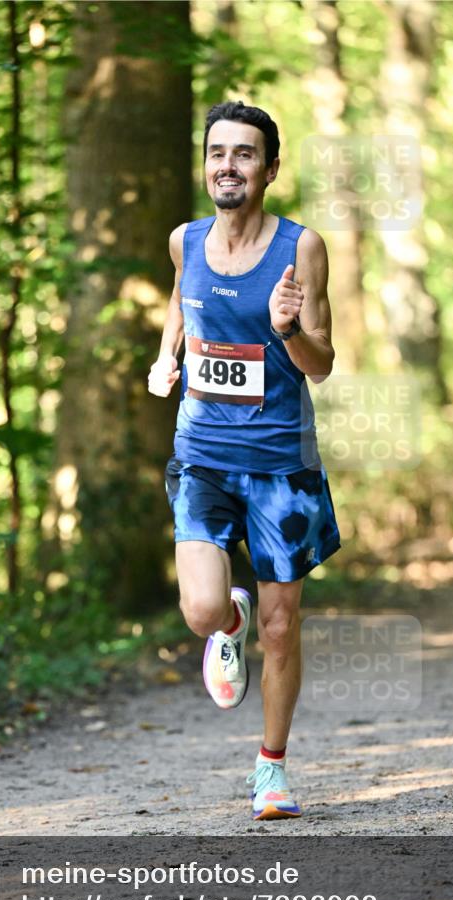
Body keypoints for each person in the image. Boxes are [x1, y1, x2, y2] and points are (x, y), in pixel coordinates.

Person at [148, 100, 341, 821]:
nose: (227, 165)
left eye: (244, 153)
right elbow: (180, 298)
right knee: (201, 609)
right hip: (202, 452)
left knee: (281, 626)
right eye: (217, 152)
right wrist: (165, 355)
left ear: (270, 168)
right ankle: (227, 624)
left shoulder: (301, 248)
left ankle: (271, 769)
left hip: (281, 463)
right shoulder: (184, 240)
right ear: (206, 164)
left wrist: (287, 330)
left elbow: (321, 364)